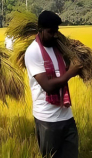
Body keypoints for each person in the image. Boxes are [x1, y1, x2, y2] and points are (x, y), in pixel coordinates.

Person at [25, 11, 82, 158]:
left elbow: (64, 70)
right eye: (50, 32)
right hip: (47, 120)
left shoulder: (59, 48)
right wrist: (72, 72)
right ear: (40, 30)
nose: (54, 35)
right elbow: (48, 85)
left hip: (66, 115)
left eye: (56, 31)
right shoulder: (33, 52)